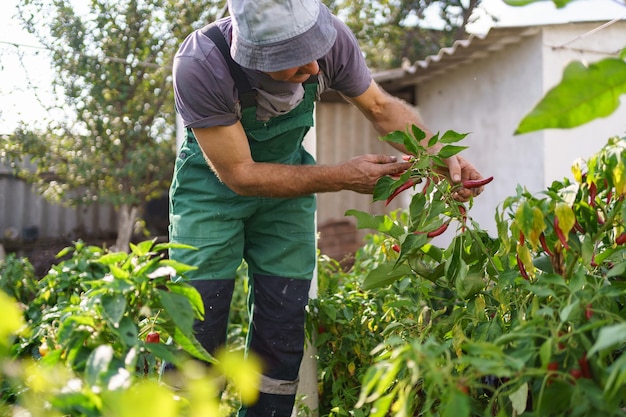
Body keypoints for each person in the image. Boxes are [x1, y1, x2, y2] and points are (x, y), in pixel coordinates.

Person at [168, 0, 485, 415]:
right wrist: (341, 177)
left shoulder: (331, 42)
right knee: (199, 320)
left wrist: (442, 159)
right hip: (212, 192)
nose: (315, 70)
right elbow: (240, 175)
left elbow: (380, 108)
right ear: (255, 57)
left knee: (283, 322)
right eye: (295, 63)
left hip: (287, 195)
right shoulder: (201, 64)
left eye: (314, 55)